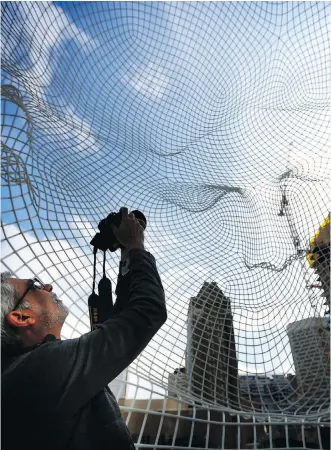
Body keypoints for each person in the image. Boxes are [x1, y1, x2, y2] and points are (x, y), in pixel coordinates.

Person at [1, 207, 167, 450]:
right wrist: (135, 244)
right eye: (34, 285)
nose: (47, 286)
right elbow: (146, 313)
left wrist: (126, 255)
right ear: (21, 317)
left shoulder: (21, 370)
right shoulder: (45, 367)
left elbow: (120, 319)